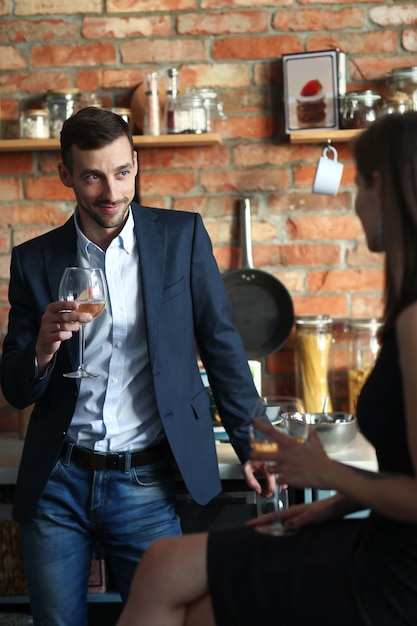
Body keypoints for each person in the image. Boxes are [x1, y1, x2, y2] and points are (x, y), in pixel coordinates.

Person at [116, 110, 417, 626]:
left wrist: (328, 474)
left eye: (358, 186)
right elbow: (402, 471)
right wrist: (330, 504)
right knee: (201, 608)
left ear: (381, 185)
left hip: (396, 572)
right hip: (380, 538)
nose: (356, 204)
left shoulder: (414, 322)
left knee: (164, 564)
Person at [0, 106, 274, 626]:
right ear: (66, 176)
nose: (111, 192)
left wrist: (253, 444)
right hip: (58, 480)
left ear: (137, 164)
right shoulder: (34, 261)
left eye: (123, 172)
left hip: (145, 482)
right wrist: (41, 348)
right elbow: (16, 386)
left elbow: (222, 348)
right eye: (94, 176)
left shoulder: (182, 237)